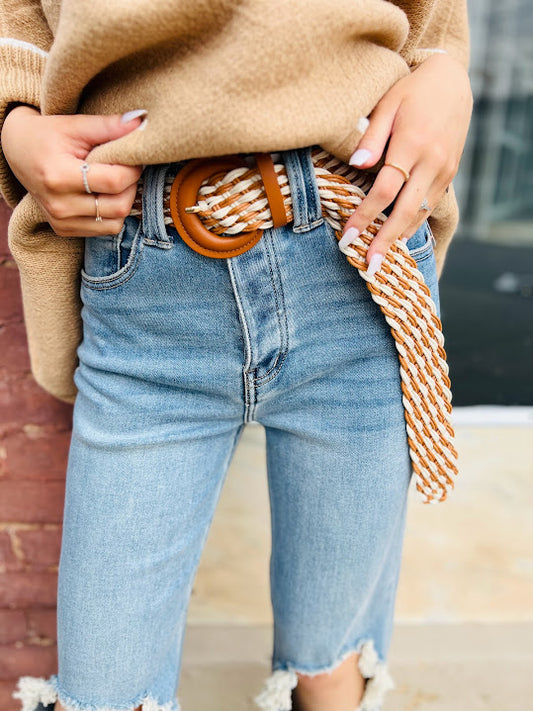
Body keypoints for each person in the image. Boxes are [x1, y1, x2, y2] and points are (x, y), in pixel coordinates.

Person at [0, 1, 472, 710]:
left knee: (331, 655)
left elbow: (431, 23)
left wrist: (444, 71)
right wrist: (13, 120)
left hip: (355, 255)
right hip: (146, 291)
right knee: (102, 683)